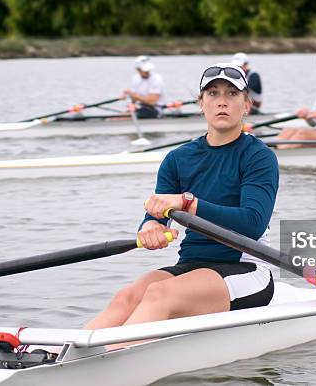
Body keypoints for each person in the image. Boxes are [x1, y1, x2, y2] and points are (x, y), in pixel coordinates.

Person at [85, 63, 279, 349]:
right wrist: (150, 227)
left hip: (247, 269)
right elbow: (157, 216)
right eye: (212, 93)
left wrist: (189, 203)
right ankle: (56, 356)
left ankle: (100, 368)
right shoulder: (178, 159)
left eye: (232, 94)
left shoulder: (258, 157)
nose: (222, 100)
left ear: (247, 104)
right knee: (127, 297)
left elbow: (252, 223)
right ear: (201, 104)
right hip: (191, 266)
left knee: (159, 295)